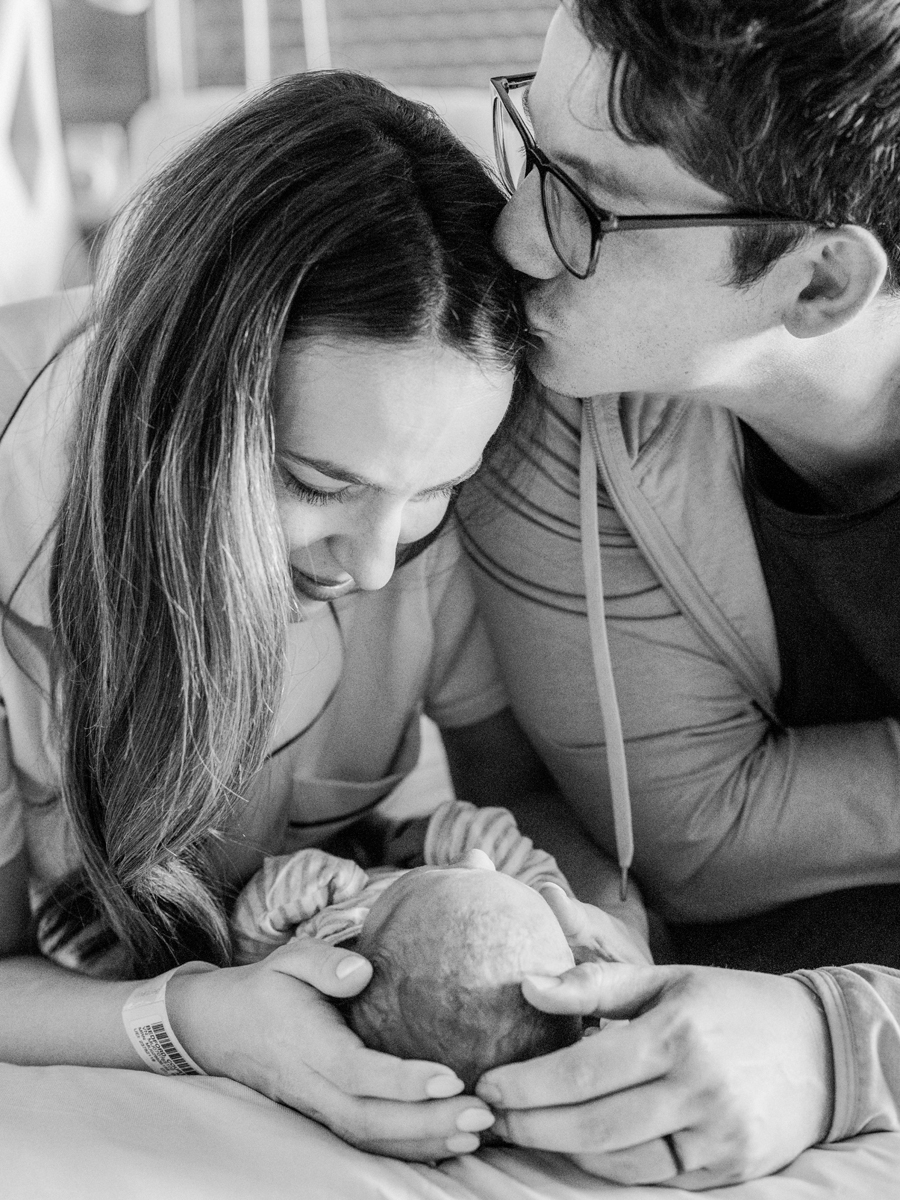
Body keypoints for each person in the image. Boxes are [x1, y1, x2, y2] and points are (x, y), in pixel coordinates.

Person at [0, 68, 642, 1167]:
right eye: (315, 483)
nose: (380, 560)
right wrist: (199, 1022)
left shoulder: (417, 508)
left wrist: (596, 933)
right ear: (176, 418)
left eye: (436, 488)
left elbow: (523, 792)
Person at [458, 0, 900, 1189]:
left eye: (589, 203)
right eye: (530, 148)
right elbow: (695, 837)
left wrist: (848, 1045)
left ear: (817, 285)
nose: (514, 238)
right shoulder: (557, 404)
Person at [230, 821, 583, 1090]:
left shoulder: (336, 930)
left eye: (454, 872)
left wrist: (256, 961)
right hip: (518, 902)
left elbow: (268, 898)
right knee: (505, 851)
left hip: (374, 874)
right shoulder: (547, 926)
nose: (479, 858)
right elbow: (532, 871)